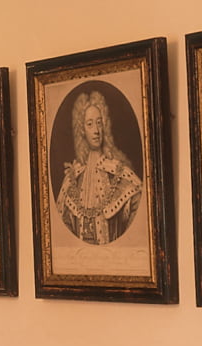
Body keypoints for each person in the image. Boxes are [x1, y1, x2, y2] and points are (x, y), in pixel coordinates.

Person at [55, 90, 142, 245]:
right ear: (82, 130)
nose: (96, 131)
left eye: (99, 123)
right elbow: (62, 227)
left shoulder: (118, 172)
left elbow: (139, 206)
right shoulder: (73, 178)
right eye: (90, 124)